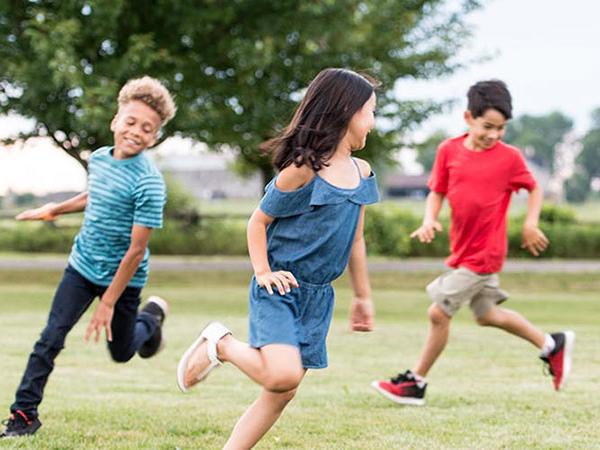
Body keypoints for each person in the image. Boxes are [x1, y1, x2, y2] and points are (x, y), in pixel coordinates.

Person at [176, 68, 379, 449]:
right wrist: (263, 270)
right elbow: (259, 221)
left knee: (282, 392)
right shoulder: (303, 170)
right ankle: (221, 344)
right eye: (370, 111)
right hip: (281, 287)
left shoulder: (363, 173)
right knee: (280, 376)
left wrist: (363, 296)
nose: (373, 121)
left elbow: (356, 240)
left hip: (319, 296)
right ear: (347, 112)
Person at [371, 80, 574, 406]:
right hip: (462, 250)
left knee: (438, 312)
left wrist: (530, 223)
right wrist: (429, 219)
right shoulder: (448, 150)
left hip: (485, 253)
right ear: (468, 117)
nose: (494, 134)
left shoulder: (509, 158)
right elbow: (437, 190)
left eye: (501, 128)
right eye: (487, 126)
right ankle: (552, 344)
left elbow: (534, 188)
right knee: (486, 314)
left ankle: (415, 382)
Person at [1, 76, 176, 438]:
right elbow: (93, 195)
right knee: (50, 338)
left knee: (122, 352)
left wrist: (109, 301)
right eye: (130, 122)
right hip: (82, 267)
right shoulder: (98, 159)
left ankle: (152, 320)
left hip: (124, 280)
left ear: (154, 137)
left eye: (147, 128)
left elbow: (136, 250)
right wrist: (54, 209)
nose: (135, 132)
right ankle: (23, 417)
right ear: (115, 121)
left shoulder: (149, 183)